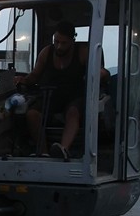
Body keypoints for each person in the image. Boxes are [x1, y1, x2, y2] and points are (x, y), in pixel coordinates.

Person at [18, 21, 109, 159]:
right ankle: (43, 152)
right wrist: (22, 80)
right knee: (31, 114)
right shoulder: (46, 53)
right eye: (56, 41)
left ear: (73, 41)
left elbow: (102, 72)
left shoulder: (83, 53)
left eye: (64, 43)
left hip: (75, 96)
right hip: (50, 96)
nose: (59, 46)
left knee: (73, 112)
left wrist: (100, 73)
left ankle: (63, 149)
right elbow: (35, 76)